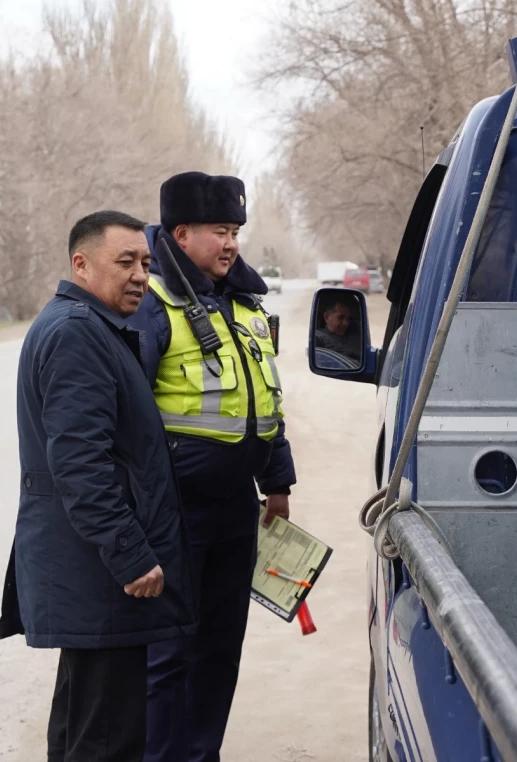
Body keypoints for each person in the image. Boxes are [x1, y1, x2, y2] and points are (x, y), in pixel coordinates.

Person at [0, 210, 194, 762]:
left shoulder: (90, 327)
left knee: (84, 728)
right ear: (80, 264)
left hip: (92, 575)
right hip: (102, 576)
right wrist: (132, 556)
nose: (140, 275)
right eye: (125, 262)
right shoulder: (77, 335)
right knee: (107, 737)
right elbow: (80, 464)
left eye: (146, 263)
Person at [132, 173, 297, 762]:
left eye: (234, 232)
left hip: (235, 513)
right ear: (180, 234)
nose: (231, 244)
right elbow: (128, 414)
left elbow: (264, 401)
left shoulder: (246, 304)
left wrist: (276, 484)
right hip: (175, 512)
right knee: (168, 654)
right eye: (218, 232)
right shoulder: (152, 304)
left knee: (220, 650)